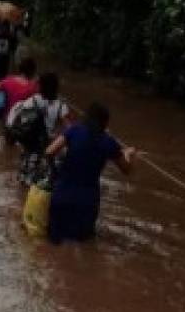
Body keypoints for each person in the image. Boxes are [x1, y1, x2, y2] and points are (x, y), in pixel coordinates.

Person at [45, 102, 136, 243]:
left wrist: (55, 174)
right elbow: (126, 170)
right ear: (105, 123)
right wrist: (128, 154)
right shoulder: (109, 142)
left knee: (54, 243)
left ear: (86, 117)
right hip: (86, 201)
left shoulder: (74, 130)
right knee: (83, 245)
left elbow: (49, 152)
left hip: (62, 194)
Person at [9, 72, 69, 187]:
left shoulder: (30, 102)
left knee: (24, 185)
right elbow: (70, 131)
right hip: (48, 151)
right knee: (43, 187)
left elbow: (17, 124)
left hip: (29, 150)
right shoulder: (61, 106)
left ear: (40, 86)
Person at [0, 56, 38, 133]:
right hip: (24, 124)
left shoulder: (8, 81)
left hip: (8, 122)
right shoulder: (34, 87)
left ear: (20, 69)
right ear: (32, 71)